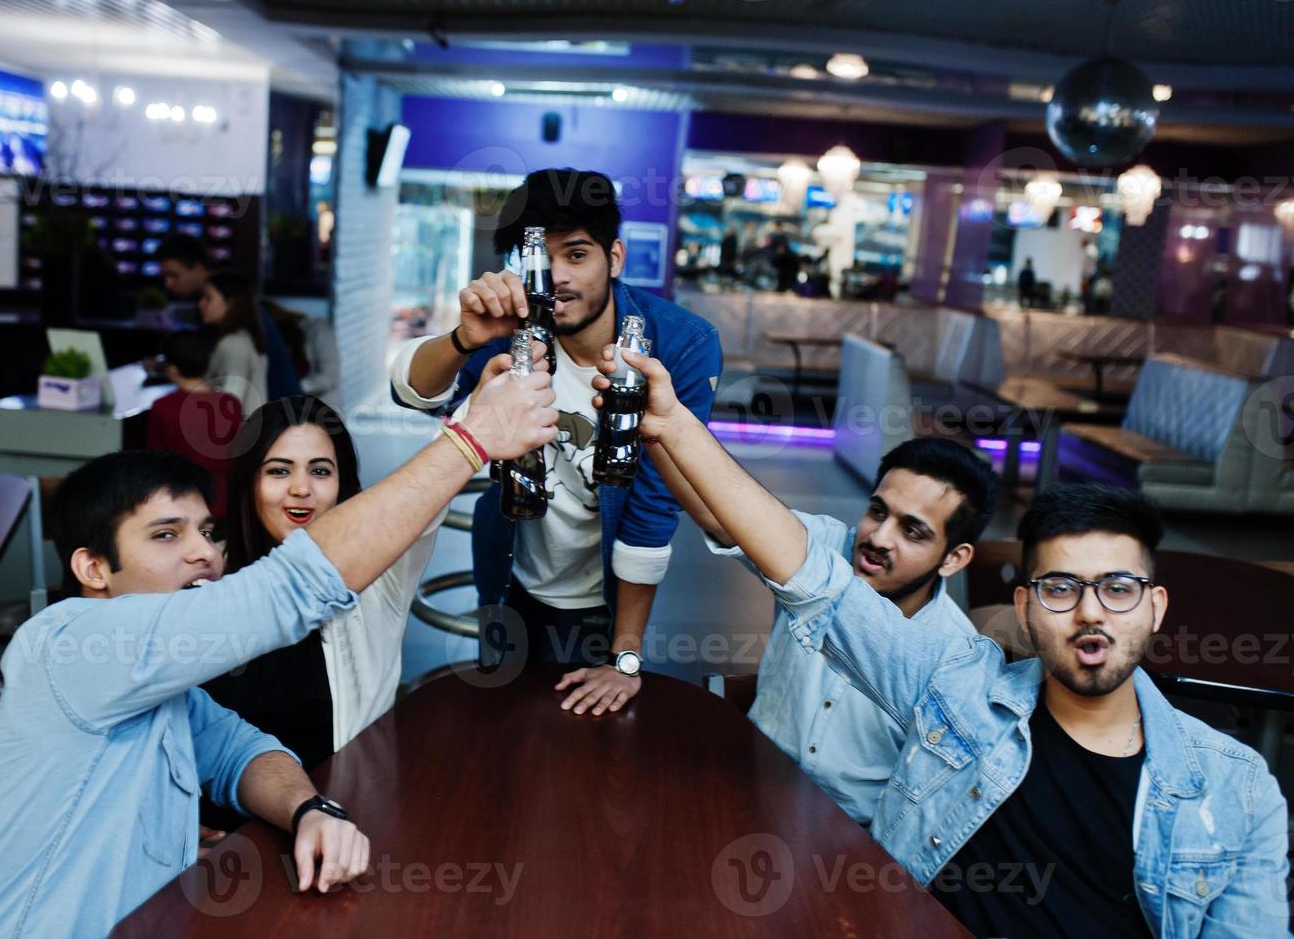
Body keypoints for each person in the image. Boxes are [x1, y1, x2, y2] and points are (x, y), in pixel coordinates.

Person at [592, 346, 1290, 939]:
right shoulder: (953, 686)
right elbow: (809, 576)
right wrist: (673, 427)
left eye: (1116, 588)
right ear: (1023, 604)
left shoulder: (1237, 789)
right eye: (1058, 588)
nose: (1088, 614)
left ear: (1154, 607)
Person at [0, 351, 558, 938]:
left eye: (204, 530)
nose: (201, 551)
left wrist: (311, 808)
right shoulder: (74, 641)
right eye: (167, 536)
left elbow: (242, 753)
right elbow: (289, 589)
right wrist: (470, 440)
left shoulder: (161, 687)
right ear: (93, 569)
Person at [389, 168, 722, 717]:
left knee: (584, 753)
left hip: (603, 600)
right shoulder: (516, 328)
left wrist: (626, 656)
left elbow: (655, 500)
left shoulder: (679, 344)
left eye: (577, 254)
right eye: (540, 257)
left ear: (614, 258)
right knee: (498, 736)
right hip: (507, 575)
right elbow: (413, 393)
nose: (558, 277)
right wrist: (462, 338)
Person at [660, 437, 991, 824]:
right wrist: (663, 429)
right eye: (877, 512)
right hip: (742, 791)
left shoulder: (956, 655)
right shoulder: (820, 547)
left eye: (912, 532)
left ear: (954, 558)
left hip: (851, 839)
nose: (879, 538)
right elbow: (718, 515)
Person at [201, 395, 441, 794]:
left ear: (343, 484)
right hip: (222, 834)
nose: (301, 489)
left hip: (341, 820)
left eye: (320, 471)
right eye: (279, 471)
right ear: (250, 482)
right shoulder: (205, 573)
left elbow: (436, 481)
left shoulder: (379, 572)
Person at [157, 233, 301, 400]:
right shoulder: (230, 317)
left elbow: (231, 400)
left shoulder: (235, 338)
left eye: (174, 275)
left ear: (198, 268)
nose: (168, 283)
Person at [145, 329, 243, 519]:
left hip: (181, 502)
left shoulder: (163, 407)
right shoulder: (230, 403)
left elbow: (154, 462)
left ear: (172, 369)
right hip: (225, 501)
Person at [200, 269, 270, 416]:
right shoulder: (245, 338)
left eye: (208, 298)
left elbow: (231, 399)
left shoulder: (235, 343)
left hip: (239, 434)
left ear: (230, 302)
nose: (201, 304)